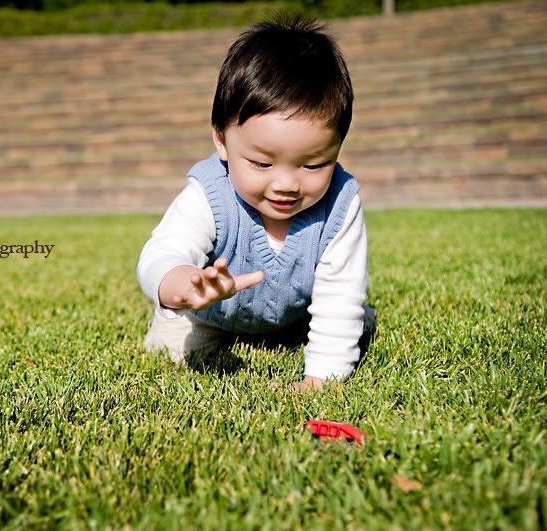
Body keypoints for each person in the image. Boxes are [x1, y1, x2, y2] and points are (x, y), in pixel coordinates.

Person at [136, 14, 375, 392]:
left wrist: (322, 378)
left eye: (314, 164)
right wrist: (183, 284)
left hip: (298, 318)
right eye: (262, 163)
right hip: (209, 316)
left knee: (351, 322)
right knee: (170, 350)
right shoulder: (209, 194)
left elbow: (340, 293)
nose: (286, 185)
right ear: (221, 139)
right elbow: (161, 252)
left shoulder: (340, 205)